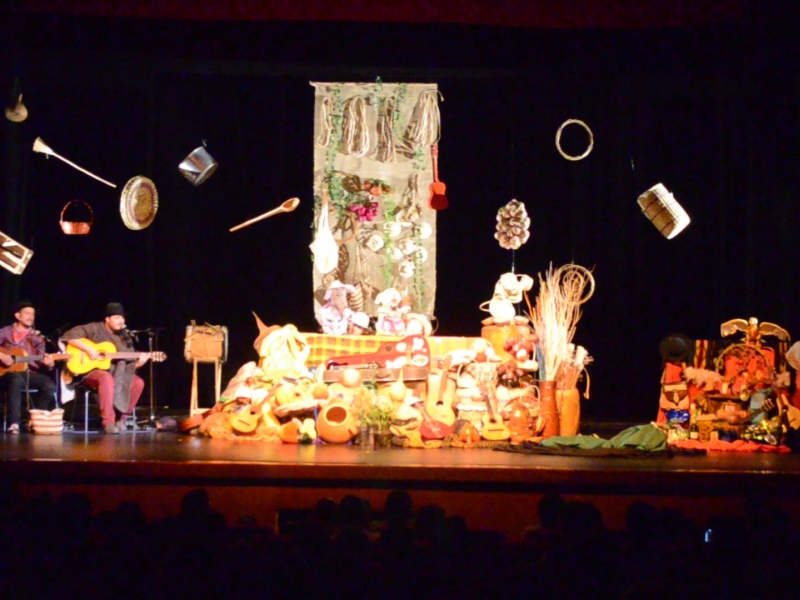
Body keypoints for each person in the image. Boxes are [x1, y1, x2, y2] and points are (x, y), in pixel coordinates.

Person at [60, 302, 148, 434]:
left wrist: (140, 363)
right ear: (107, 319)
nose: (121, 321)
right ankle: (109, 422)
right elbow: (69, 336)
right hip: (88, 371)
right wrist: (89, 350)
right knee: (106, 378)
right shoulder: (94, 328)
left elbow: (129, 366)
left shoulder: (125, 338)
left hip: (116, 373)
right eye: (117, 317)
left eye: (123, 318)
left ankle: (122, 420)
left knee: (138, 383)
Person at [0, 301, 56, 434]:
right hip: (5, 375)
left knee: (49, 385)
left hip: (29, 374)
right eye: (27, 313)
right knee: (15, 378)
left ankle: (34, 419)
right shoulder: (5, 331)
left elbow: (43, 359)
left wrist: (50, 364)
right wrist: (2, 356)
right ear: (18, 316)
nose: (31, 316)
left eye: (33, 314)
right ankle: (14, 422)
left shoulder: (37, 338)